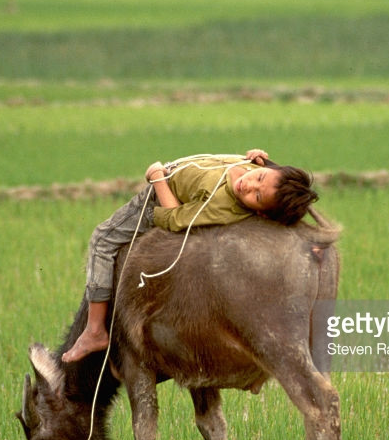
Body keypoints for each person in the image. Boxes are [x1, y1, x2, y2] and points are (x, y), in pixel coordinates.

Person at [60, 150, 318, 363]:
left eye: (257, 196)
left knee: (102, 239)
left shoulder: (218, 205)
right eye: (259, 177)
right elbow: (277, 180)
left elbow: (176, 219)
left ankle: (94, 330)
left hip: (155, 200)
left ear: (261, 214)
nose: (249, 185)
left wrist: (157, 177)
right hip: (175, 176)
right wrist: (261, 160)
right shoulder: (254, 168)